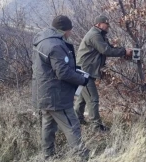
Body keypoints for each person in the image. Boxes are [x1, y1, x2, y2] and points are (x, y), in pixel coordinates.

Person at [32, 15, 89, 160]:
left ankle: (48, 155)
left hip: (43, 93)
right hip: (56, 95)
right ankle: (82, 156)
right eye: (70, 30)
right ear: (64, 30)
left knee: (48, 125)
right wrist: (82, 79)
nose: (70, 33)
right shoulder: (56, 45)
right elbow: (63, 72)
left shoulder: (42, 41)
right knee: (72, 125)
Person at [74, 15, 133, 132]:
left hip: (85, 70)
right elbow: (106, 50)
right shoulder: (94, 35)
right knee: (93, 98)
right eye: (106, 24)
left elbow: (109, 47)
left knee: (83, 97)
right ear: (99, 24)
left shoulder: (99, 35)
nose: (108, 27)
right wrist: (124, 51)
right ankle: (96, 127)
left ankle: (77, 120)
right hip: (85, 72)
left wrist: (124, 51)